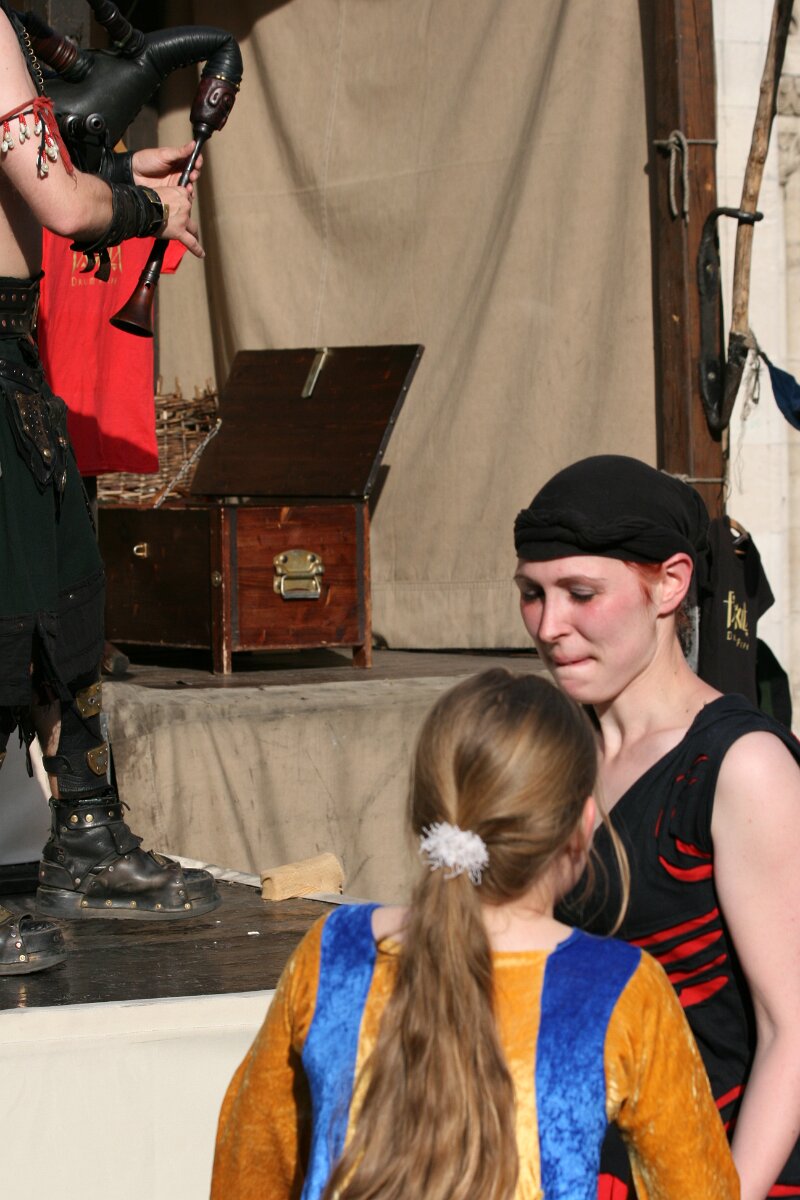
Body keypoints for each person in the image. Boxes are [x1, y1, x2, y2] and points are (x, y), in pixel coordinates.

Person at [211, 668, 738, 1200]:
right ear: (583, 825)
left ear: (423, 815)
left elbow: (248, 1168)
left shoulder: (334, 952)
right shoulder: (621, 990)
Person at [513, 454, 800, 1200]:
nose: (550, 626)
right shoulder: (549, 757)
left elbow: (793, 1032)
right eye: (532, 594)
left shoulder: (741, 768)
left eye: (581, 593)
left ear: (670, 584)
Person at [0, 1, 219, 976]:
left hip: (10, 355)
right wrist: (146, 212)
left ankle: (87, 834)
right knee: (14, 607)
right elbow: (59, 206)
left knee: (59, 590)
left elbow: (31, 174)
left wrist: (121, 175)